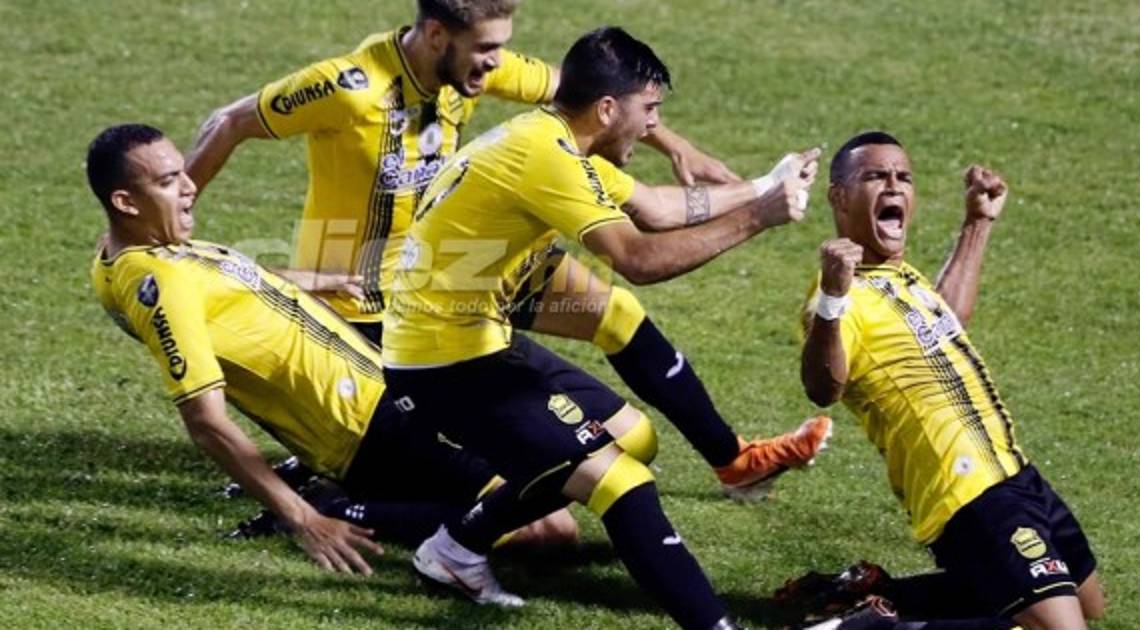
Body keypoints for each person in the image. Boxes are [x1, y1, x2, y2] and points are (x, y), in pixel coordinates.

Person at [186, 0, 831, 503]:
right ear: (436, 35)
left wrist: (675, 145)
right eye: (486, 48)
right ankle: (352, 491)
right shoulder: (348, 87)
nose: (497, 63)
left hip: (472, 260)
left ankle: (734, 461)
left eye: (501, 47)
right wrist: (174, 232)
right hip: (373, 297)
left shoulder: (472, 66)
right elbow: (226, 121)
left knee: (617, 315)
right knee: (613, 443)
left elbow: (589, 93)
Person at [382, 27, 820, 628]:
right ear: (608, 109)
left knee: (633, 437)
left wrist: (767, 184)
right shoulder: (546, 158)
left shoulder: (555, 139)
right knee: (621, 479)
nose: (654, 126)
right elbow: (638, 258)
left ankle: (456, 548)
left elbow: (657, 209)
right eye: (650, 110)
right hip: (444, 365)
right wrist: (758, 218)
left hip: (480, 332)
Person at [86, 123, 574, 575]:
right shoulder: (159, 283)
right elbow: (205, 421)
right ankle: (334, 509)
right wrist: (302, 518)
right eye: (168, 181)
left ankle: (344, 495)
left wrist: (312, 281)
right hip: (366, 429)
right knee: (548, 530)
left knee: (557, 467)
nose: (190, 186)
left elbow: (224, 286)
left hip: (386, 386)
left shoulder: (138, 250)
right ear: (126, 203)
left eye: (182, 172)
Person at [796, 132, 1105, 630]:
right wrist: (833, 295)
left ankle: (880, 596)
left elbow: (947, 320)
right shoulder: (840, 296)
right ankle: (874, 629)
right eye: (875, 176)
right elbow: (822, 387)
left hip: (1012, 471)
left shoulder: (901, 276)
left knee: (1089, 604)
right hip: (965, 489)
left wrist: (977, 223)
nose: (894, 185)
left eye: (903, 176)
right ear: (839, 197)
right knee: (1059, 629)